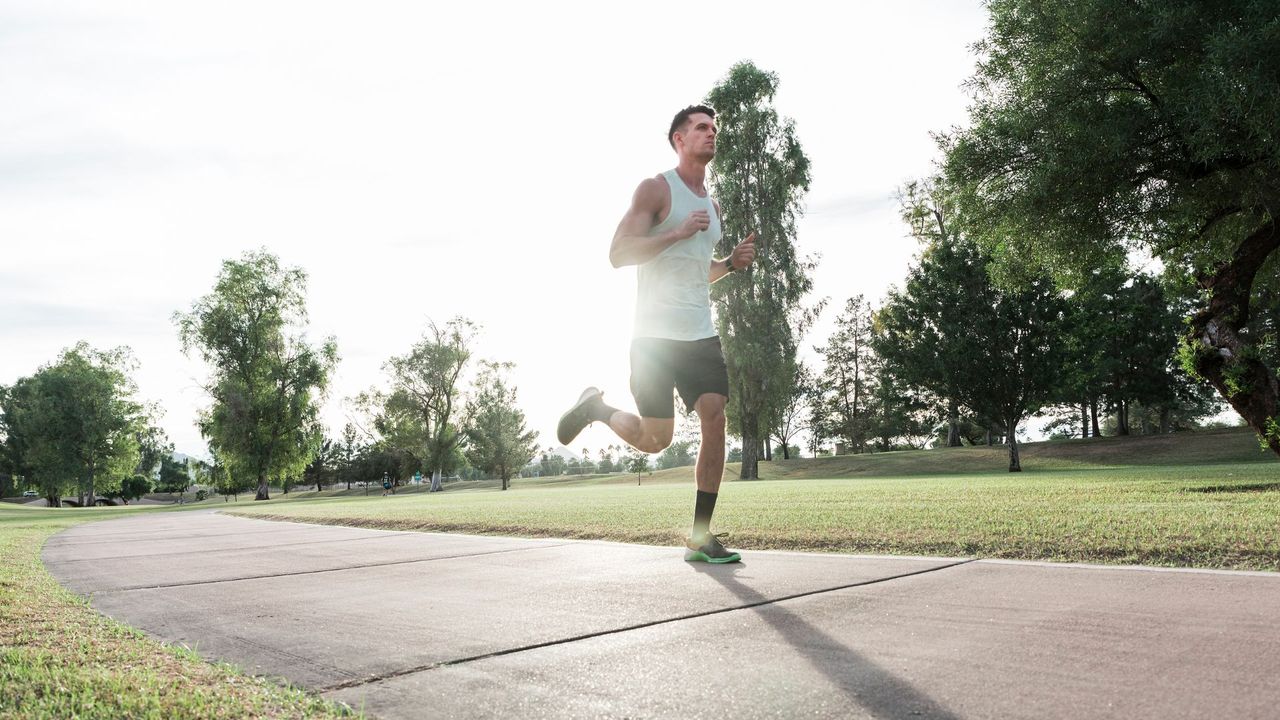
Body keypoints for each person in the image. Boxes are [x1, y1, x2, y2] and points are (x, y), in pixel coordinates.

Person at [557, 104, 756, 564]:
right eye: (701, 128)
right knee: (655, 441)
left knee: (715, 415)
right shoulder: (656, 189)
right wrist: (676, 232)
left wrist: (729, 265)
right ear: (678, 140)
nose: (711, 134)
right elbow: (618, 254)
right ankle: (597, 408)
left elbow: (696, 271)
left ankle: (701, 535)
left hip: (699, 334)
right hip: (652, 338)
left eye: (714, 128)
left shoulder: (713, 205)